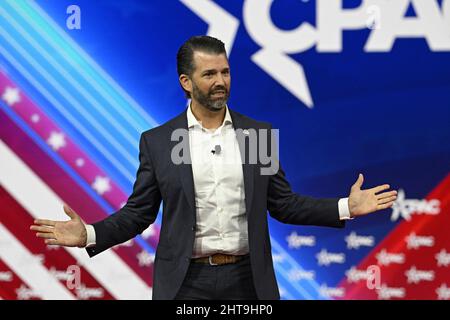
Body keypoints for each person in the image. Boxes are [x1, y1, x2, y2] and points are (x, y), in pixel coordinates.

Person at [30, 36, 397, 300]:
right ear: (186, 83)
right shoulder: (158, 142)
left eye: (225, 72)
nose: (220, 81)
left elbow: (283, 204)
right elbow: (139, 213)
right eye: (209, 74)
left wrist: (346, 207)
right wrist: (90, 235)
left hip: (248, 280)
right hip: (185, 284)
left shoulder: (258, 136)